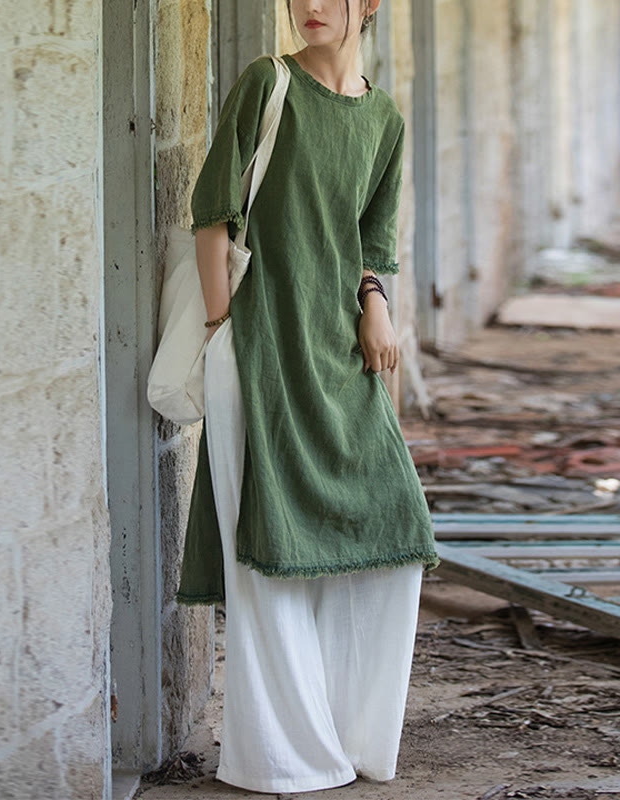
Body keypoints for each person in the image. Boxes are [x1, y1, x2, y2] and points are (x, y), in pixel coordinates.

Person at [175, 0, 440, 793]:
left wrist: (375, 303)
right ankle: (282, 758)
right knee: (268, 554)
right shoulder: (268, 84)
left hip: (337, 350)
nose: (310, 7)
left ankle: (352, 736)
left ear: (371, 5)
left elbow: (371, 241)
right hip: (257, 348)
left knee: (395, 530)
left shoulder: (384, 120)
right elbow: (213, 214)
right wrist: (223, 329)